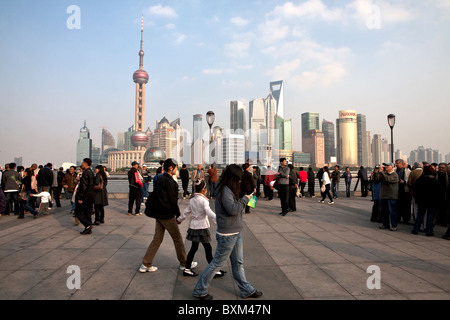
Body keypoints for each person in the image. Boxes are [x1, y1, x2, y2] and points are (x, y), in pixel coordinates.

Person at [192, 164, 262, 300]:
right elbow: (232, 209)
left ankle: (246, 289)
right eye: (238, 179)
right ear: (232, 178)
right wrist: (245, 199)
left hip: (235, 231)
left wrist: (246, 195)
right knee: (217, 264)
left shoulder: (229, 188)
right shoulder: (224, 190)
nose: (240, 181)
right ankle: (199, 290)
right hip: (227, 234)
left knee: (238, 263)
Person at [140, 159, 195, 273]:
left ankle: (146, 263)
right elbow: (172, 201)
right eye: (176, 168)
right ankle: (184, 263)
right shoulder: (171, 182)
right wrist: (178, 216)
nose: (177, 170)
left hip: (158, 214)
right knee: (178, 239)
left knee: (157, 239)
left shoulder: (159, 179)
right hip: (167, 215)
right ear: (171, 168)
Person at [177, 179, 225, 278]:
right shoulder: (203, 200)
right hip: (202, 227)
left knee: (194, 248)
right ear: (204, 190)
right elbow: (208, 212)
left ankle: (187, 269)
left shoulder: (192, 200)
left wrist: (179, 219)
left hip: (194, 227)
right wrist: (218, 218)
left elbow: (186, 211)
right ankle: (213, 270)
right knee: (207, 248)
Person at [411, 165, 440, 237]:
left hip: (421, 201)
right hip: (432, 201)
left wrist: (417, 198)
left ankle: (416, 229)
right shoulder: (434, 181)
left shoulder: (420, 179)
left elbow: (415, 189)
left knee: (420, 215)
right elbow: (438, 192)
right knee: (430, 216)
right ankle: (429, 231)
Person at [372, 162, 399, 231]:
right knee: (384, 211)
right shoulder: (384, 174)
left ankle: (394, 225)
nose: (386, 167)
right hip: (383, 196)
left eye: (387, 166)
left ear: (392, 167)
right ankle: (385, 224)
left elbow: (388, 179)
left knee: (392, 211)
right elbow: (376, 180)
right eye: (385, 166)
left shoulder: (394, 175)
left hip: (391, 196)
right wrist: (375, 172)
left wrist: (382, 172)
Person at [76, 158, 95, 235]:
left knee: (78, 212)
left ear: (86, 163)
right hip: (90, 196)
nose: (82, 164)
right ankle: (88, 229)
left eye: (83, 162)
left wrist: (80, 197)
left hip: (85, 196)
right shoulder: (91, 172)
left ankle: (88, 224)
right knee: (87, 213)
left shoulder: (85, 173)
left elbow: (83, 186)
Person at [395, 159, 412, 224]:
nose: (396, 164)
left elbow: (410, 180)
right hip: (397, 190)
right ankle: (398, 218)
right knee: (398, 205)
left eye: (397, 163)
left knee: (406, 205)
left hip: (405, 190)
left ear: (402, 164)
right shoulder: (395, 171)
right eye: (396, 163)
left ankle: (406, 219)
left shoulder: (407, 171)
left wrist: (404, 182)